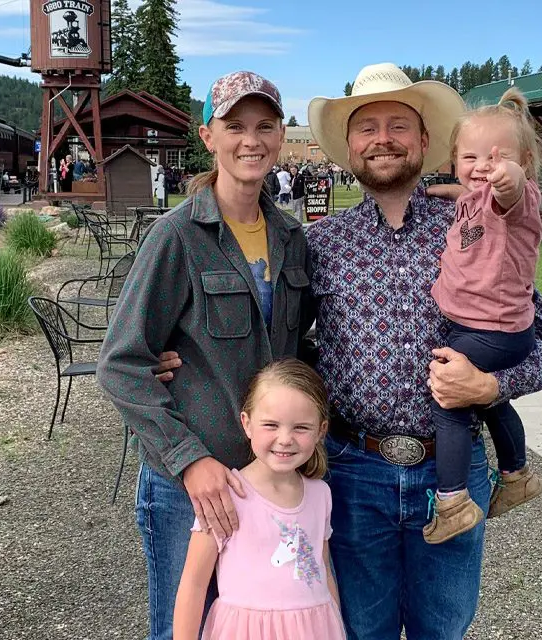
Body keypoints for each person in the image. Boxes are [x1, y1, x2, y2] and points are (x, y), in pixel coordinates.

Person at [306, 62, 542, 638]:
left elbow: (540, 339)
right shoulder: (321, 242)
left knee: (441, 628)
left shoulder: (480, 221)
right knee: (358, 627)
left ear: (424, 142)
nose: (383, 139)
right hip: (352, 471)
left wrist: (492, 388)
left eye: (399, 125)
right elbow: (285, 343)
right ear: (349, 146)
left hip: (451, 471)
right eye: (367, 127)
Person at [95, 70, 311, 640]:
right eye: (234, 125)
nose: (251, 140)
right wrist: (189, 460)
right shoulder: (178, 236)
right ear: (207, 136)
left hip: (268, 478)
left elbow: (298, 350)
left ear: (281, 137)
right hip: (189, 485)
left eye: (265, 126)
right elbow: (121, 363)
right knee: (182, 627)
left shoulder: (292, 238)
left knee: (254, 624)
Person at [423, 87, 542, 545]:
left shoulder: (516, 202)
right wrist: (457, 188)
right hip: (490, 327)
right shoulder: (474, 200)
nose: (481, 167)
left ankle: (452, 501)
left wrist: (506, 176)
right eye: (468, 156)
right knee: (489, 399)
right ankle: (516, 476)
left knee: (449, 394)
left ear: (524, 161)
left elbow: (508, 192)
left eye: (494, 157)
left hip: (493, 328)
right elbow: (475, 196)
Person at [173, 359, 345, 640]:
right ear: (247, 423)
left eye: (301, 427)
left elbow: (321, 570)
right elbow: (193, 584)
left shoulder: (320, 494)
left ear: (321, 430)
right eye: (271, 425)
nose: (285, 439)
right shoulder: (225, 495)